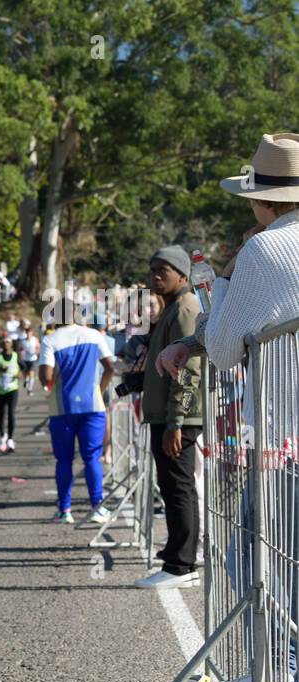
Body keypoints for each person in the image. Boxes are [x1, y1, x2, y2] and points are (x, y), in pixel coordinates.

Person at [155, 132, 299, 682]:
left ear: (261, 200)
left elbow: (223, 345)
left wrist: (232, 284)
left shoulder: (267, 249)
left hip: (283, 433)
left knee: (257, 565)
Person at [134, 246, 204, 589]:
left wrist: (177, 421)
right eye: (153, 269)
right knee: (173, 487)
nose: (156, 275)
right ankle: (178, 559)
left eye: (164, 269)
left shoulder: (186, 308)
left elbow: (190, 371)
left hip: (179, 417)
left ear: (182, 275)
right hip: (167, 415)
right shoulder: (172, 308)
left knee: (178, 489)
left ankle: (181, 565)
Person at [39, 299, 115, 524]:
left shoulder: (50, 340)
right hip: (93, 406)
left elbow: (46, 378)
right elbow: (110, 367)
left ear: (55, 316)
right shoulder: (94, 335)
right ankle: (97, 507)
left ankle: (65, 510)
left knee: (64, 460)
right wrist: (99, 390)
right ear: (76, 314)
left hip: (62, 408)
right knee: (92, 457)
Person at [20, 326, 40, 394]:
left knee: (31, 373)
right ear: (26, 333)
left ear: (32, 333)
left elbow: (38, 348)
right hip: (25, 359)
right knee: (25, 374)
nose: (29, 334)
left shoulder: (35, 339)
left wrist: (36, 352)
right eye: (27, 333)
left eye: (30, 333)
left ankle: (30, 390)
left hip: (33, 359)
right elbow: (21, 349)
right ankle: (26, 380)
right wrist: (21, 352)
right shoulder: (23, 341)